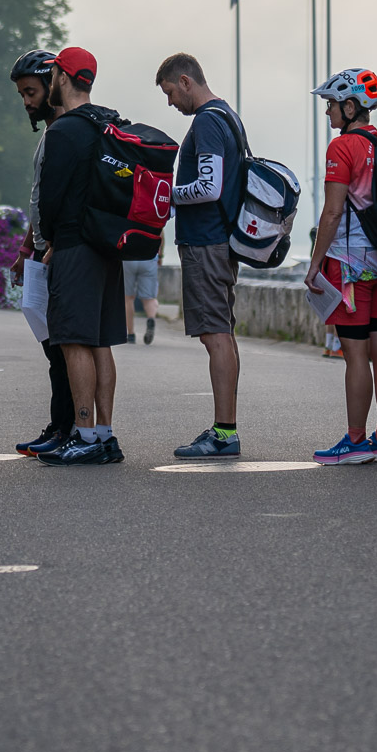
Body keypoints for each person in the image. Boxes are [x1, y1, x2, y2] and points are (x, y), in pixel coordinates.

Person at [303, 69, 377, 464]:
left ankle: (356, 441)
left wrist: (315, 265)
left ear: (349, 107)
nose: (327, 111)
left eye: (331, 104)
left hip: (350, 266)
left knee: (356, 355)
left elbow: (332, 213)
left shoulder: (342, 147)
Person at [35, 46, 126, 465]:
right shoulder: (109, 123)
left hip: (73, 246)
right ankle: (105, 434)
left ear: (63, 77)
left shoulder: (64, 130)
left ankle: (85, 435)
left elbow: (50, 199)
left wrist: (50, 241)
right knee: (101, 341)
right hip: (109, 246)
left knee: (73, 341)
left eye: (54, 74)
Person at [156, 53, 244, 459]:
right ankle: (225, 427)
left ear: (185, 81)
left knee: (215, 334)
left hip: (206, 242)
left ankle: (224, 432)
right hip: (221, 240)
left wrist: (167, 196)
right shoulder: (228, 116)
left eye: (170, 93)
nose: (171, 102)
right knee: (222, 331)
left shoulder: (207, 121)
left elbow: (209, 186)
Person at [8, 50, 78, 459]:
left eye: (31, 92)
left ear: (53, 85)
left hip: (59, 253)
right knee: (52, 348)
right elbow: (41, 201)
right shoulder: (49, 134)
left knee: (62, 349)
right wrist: (26, 248)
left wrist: (50, 246)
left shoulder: (65, 133)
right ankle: (58, 424)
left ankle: (66, 428)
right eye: (22, 94)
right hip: (41, 252)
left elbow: (65, 200)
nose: (26, 101)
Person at [121, 235, 161, 344]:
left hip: (128, 257)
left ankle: (131, 334)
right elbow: (161, 234)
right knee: (149, 298)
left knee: (128, 298)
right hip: (149, 256)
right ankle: (151, 319)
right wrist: (160, 256)